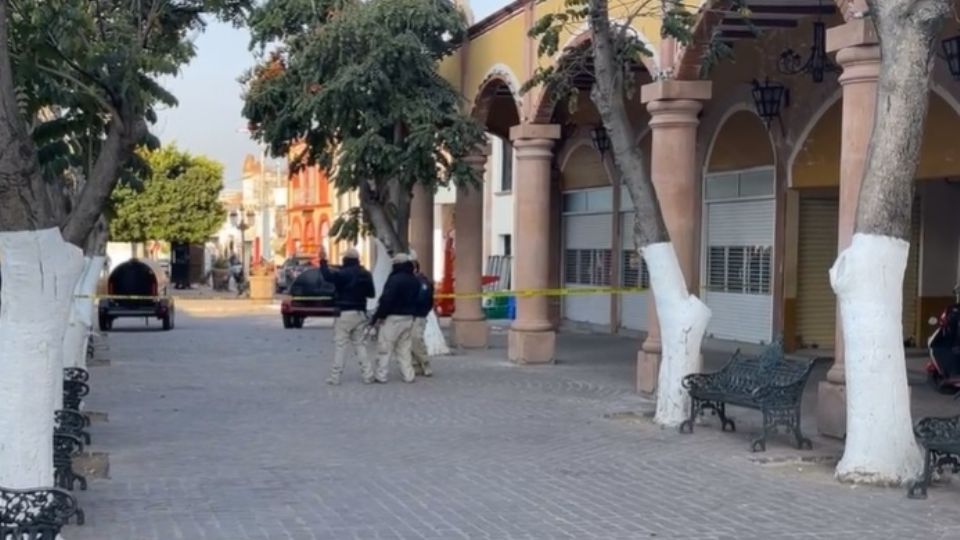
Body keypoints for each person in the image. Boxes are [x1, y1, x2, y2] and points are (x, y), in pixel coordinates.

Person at [320, 247, 376, 385]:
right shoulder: (366, 274)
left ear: (345, 259)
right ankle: (368, 375)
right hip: (360, 314)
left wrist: (322, 261)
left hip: (344, 313)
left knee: (340, 345)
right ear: (358, 259)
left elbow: (327, 276)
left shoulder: (341, 273)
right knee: (360, 345)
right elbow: (372, 294)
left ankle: (335, 376)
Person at [370, 253, 421, 383]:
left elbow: (387, 300)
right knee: (404, 348)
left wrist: (379, 316)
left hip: (393, 318)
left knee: (385, 347)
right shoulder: (414, 280)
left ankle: (381, 375)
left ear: (396, 264)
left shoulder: (394, 279)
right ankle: (409, 375)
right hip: (409, 318)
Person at [410, 255, 434, 377]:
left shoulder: (422, 282)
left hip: (418, 315)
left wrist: (421, 312)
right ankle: (415, 366)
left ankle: (425, 363)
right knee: (409, 341)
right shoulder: (409, 280)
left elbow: (426, 299)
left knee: (416, 339)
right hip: (408, 315)